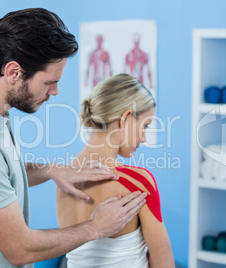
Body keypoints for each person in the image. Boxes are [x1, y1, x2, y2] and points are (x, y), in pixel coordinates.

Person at [0, 8, 147, 268]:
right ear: (14, 72)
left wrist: (51, 170)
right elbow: (21, 250)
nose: (55, 91)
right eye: (49, 82)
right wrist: (96, 228)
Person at [57, 73, 175, 268]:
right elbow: (164, 263)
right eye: (145, 126)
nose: (144, 138)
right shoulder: (138, 181)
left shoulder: (63, 180)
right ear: (126, 118)